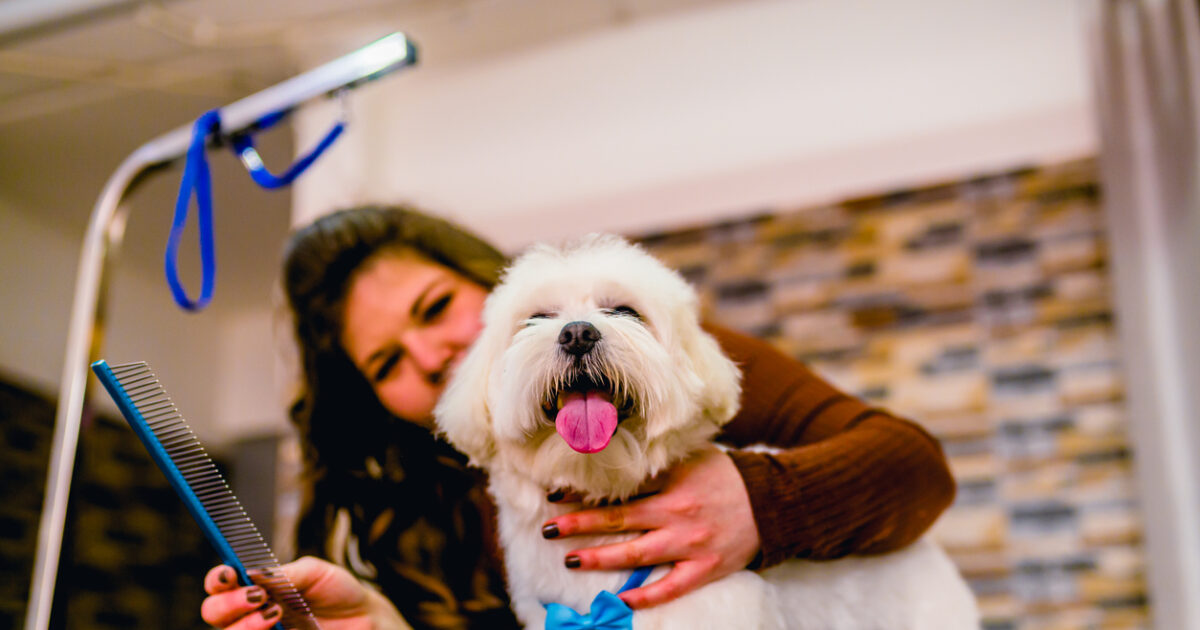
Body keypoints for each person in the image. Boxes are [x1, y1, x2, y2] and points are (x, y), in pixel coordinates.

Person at [200, 206, 956, 630]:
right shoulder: (425, 521)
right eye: (387, 363)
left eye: (435, 308)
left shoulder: (670, 356)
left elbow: (915, 466)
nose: (428, 357)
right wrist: (378, 622)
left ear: (485, 282)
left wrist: (761, 504)